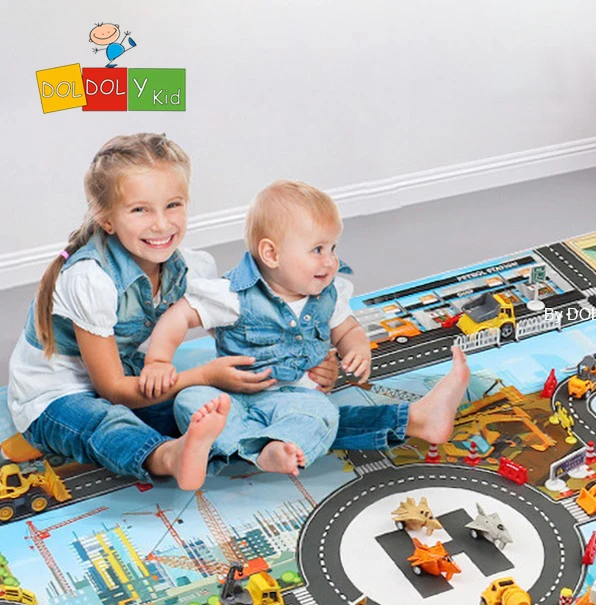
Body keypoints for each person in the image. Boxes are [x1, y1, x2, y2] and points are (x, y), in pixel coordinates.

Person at [6, 132, 284, 491]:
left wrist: (298, 355)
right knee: (104, 423)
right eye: (140, 210)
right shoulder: (91, 279)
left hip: (125, 369)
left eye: (173, 205)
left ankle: (262, 441)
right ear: (107, 220)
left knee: (199, 404)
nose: (162, 224)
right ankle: (169, 457)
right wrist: (203, 375)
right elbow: (113, 391)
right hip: (53, 392)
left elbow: (242, 331)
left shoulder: (191, 268)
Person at [141, 180, 470, 475]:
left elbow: (347, 329)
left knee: (321, 415)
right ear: (271, 254)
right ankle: (250, 444)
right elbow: (180, 316)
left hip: (295, 398)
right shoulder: (234, 294)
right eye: (317, 250)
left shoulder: (328, 293)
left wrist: (356, 349)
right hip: (230, 396)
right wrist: (158, 361)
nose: (330, 261)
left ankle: (270, 449)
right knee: (191, 400)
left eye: (333, 248)